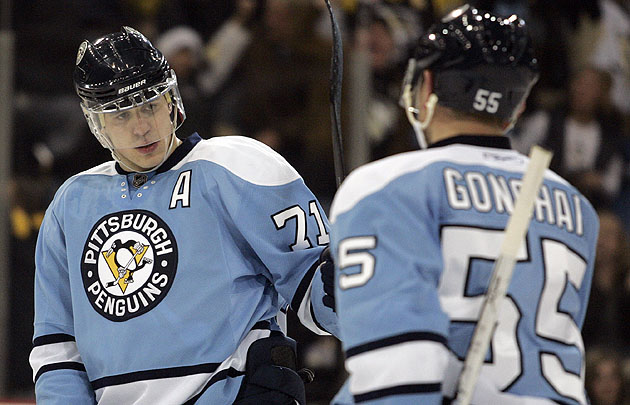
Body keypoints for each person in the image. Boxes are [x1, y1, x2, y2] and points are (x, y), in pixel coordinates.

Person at [29, 26, 338, 404]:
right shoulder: (71, 204)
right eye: (121, 114)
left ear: (172, 99)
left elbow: (317, 296)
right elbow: (58, 347)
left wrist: (351, 288)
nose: (142, 126)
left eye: (149, 105)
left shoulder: (240, 166)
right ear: (96, 122)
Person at [329, 5, 599, 404]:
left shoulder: (383, 187)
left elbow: (397, 372)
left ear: (426, 85)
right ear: (518, 105)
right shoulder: (576, 206)